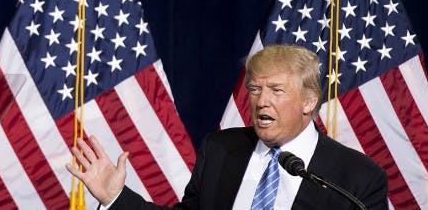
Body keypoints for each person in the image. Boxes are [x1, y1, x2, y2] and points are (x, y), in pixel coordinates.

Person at [66, 44, 388, 209]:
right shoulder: (221, 150)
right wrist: (115, 197)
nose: (262, 101)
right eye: (255, 89)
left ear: (308, 101)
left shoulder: (355, 179)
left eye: (276, 90)